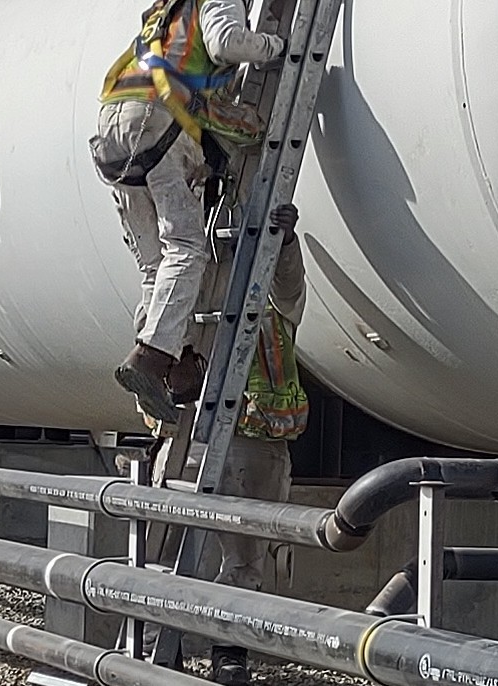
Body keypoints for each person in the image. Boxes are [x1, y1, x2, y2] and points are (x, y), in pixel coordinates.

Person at [91, 0, 284, 423]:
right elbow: (227, 41)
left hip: (111, 132)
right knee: (188, 248)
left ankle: (165, 373)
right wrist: (274, 47)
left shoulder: (163, 17)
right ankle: (154, 358)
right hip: (156, 121)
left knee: (156, 266)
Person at [210, 201, 309, 686]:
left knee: (246, 558)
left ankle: (231, 650)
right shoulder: (196, 283)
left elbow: (289, 288)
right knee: (165, 548)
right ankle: (148, 643)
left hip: (256, 438)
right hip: (199, 433)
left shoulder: (269, 300)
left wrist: (286, 241)